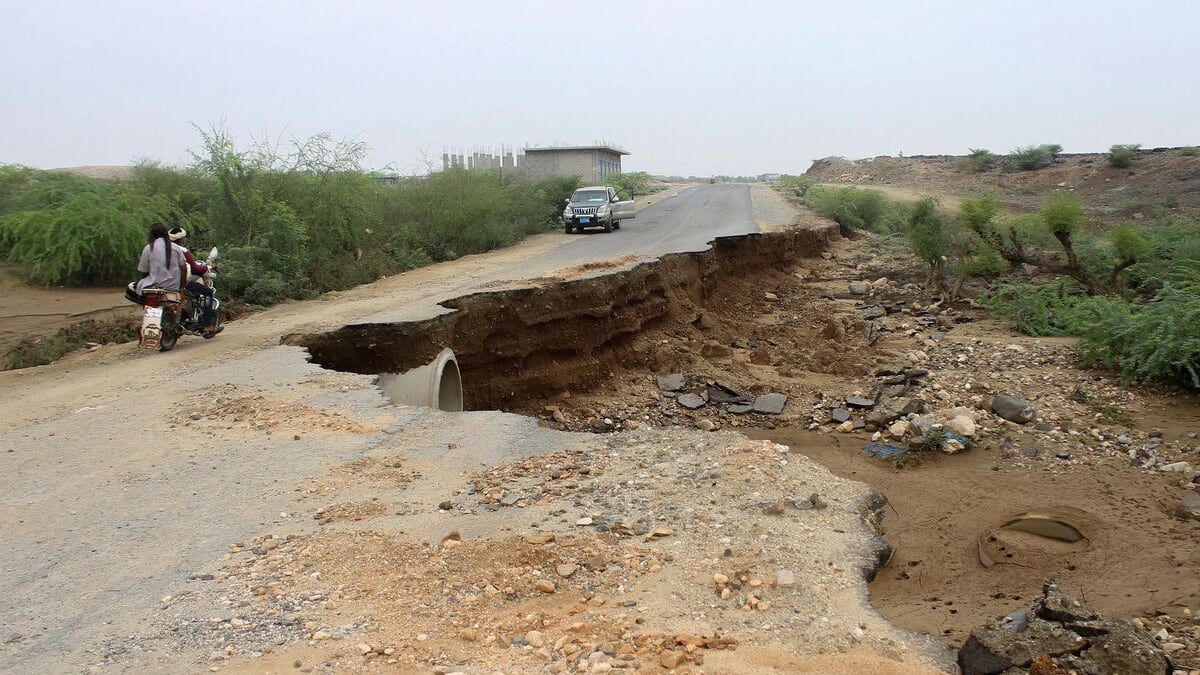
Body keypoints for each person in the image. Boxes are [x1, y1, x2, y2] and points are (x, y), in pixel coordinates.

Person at [167, 226, 219, 331]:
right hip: (178, 283)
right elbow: (195, 268)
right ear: (181, 239)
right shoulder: (182, 250)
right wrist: (210, 267)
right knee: (208, 292)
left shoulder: (160, 248)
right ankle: (206, 324)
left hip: (160, 283)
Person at [126, 223, 186, 304]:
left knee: (131, 286)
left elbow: (144, 271)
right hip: (173, 288)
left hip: (152, 288)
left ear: (151, 235)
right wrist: (182, 288)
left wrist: (142, 284)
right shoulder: (176, 248)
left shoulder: (148, 248)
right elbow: (184, 269)